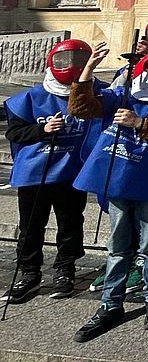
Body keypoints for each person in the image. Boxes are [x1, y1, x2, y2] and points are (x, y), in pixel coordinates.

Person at [70, 41, 148, 340]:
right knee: (118, 246)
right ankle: (111, 304)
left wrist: (139, 123)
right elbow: (81, 107)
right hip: (120, 178)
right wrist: (88, 69)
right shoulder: (122, 94)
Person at [2, 40, 94, 304]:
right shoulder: (28, 99)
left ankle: (66, 268)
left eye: (78, 60)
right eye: (66, 60)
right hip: (35, 173)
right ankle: (29, 272)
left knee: (70, 224)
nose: (71, 65)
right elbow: (15, 132)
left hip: (70, 172)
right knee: (31, 227)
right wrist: (42, 130)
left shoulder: (90, 92)